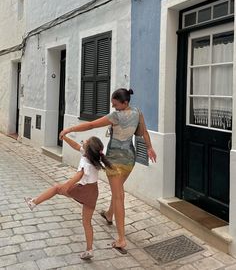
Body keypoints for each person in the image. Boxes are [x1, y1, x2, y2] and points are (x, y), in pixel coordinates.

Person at [59, 88, 157, 254]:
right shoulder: (137, 112)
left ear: (125, 102)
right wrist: (149, 148)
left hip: (115, 162)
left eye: (116, 105)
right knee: (117, 191)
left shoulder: (116, 117)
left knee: (119, 195)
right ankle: (109, 214)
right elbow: (144, 132)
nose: (114, 108)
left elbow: (91, 124)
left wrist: (69, 130)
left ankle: (121, 239)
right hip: (129, 160)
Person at [24, 135, 112, 260]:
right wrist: (64, 137)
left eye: (85, 142)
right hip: (93, 192)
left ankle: (33, 203)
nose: (83, 142)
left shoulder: (85, 161)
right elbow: (76, 146)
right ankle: (89, 250)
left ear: (87, 149)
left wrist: (66, 186)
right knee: (87, 222)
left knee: (56, 188)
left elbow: (79, 175)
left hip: (83, 190)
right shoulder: (93, 157)